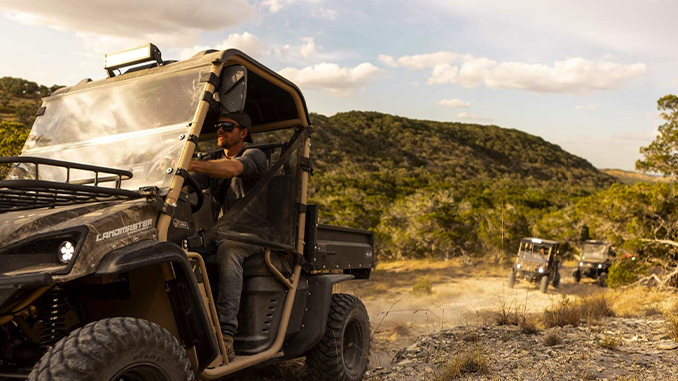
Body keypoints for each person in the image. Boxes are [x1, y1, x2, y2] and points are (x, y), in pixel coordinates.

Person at [188, 112, 268, 362]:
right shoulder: (212, 160)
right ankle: (191, 327)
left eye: (227, 126)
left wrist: (187, 163)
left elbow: (232, 169)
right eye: (217, 126)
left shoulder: (254, 155)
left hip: (252, 234)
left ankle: (226, 336)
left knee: (229, 252)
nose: (219, 130)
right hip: (219, 233)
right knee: (181, 251)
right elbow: (189, 182)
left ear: (243, 133)